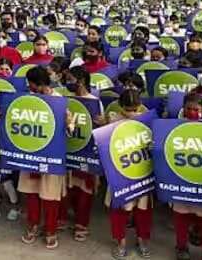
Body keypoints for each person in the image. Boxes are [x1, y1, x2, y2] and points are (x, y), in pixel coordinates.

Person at [18, 66, 70, 250]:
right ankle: (32, 225)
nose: (29, 86)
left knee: (50, 196)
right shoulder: (26, 100)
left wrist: (68, 125)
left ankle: (50, 230)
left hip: (52, 157)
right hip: (31, 155)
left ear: (38, 84)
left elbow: (69, 128)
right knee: (32, 193)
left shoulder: (59, 101)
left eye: (30, 83)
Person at [106, 85, 154, 259]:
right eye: (128, 110)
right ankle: (121, 242)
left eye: (135, 110)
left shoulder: (149, 119)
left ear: (140, 106)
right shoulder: (112, 120)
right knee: (119, 209)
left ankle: (142, 240)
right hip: (119, 173)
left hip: (142, 172)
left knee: (143, 210)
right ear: (120, 107)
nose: (132, 113)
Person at [173, 92, 202, 260]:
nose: (192, 112)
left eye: (196, 109)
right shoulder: (173, 126)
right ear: (183, 109)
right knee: (182, 217)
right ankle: (181, 247)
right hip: (183, 179)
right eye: (188, 109)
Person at [60, 66, 105, 241]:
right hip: (69, 149)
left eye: (70, 79)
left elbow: (100, 126)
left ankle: (81, 223)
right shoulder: (66, 100)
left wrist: (102, 122)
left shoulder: (95, 102)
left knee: (85, 188)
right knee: (67, 186)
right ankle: (62, 218)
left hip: (86, 152)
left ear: (82, 81)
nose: (68, 83)